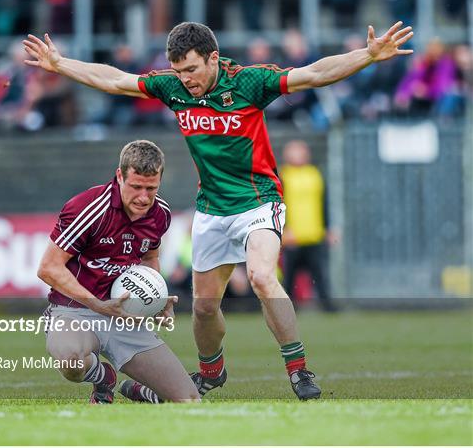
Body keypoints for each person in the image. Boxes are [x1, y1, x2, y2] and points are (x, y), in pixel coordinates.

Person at [24, 20, 414, 401]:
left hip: (258, 200)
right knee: (205, 307)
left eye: (191, 69)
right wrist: (61, 64)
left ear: (213, 58)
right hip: (211, 208)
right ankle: (211, 372)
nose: (185, 78)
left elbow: (313, 74)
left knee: (261, 277)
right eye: (178, 70)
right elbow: (114, 79)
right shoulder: (174, 87)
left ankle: (298, 370)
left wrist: (366, 55)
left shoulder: (249, 81)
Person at [37, 140, 200, 404]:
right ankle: (104, 378)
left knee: (189, 400)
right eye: (136, 187)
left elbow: (149, 257)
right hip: (74, 310)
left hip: (124, 316)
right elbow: (48, 268)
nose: (144, 197)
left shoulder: (161, 214)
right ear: (119, 176)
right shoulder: (88, 207)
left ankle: (140, 391)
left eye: (151, 188)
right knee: (71, 361)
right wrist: (99, 305)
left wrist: (156, 302)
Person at [280, 140, 338, 312]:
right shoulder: (282, 175)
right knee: (288, 277)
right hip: (292, 237)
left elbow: (324, 203)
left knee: (320, 275)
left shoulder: (315, 174)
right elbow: (278, 205)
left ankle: (328, 307)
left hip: (315, 234)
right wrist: (284, 229)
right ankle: (286, 309)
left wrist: (328, 227)